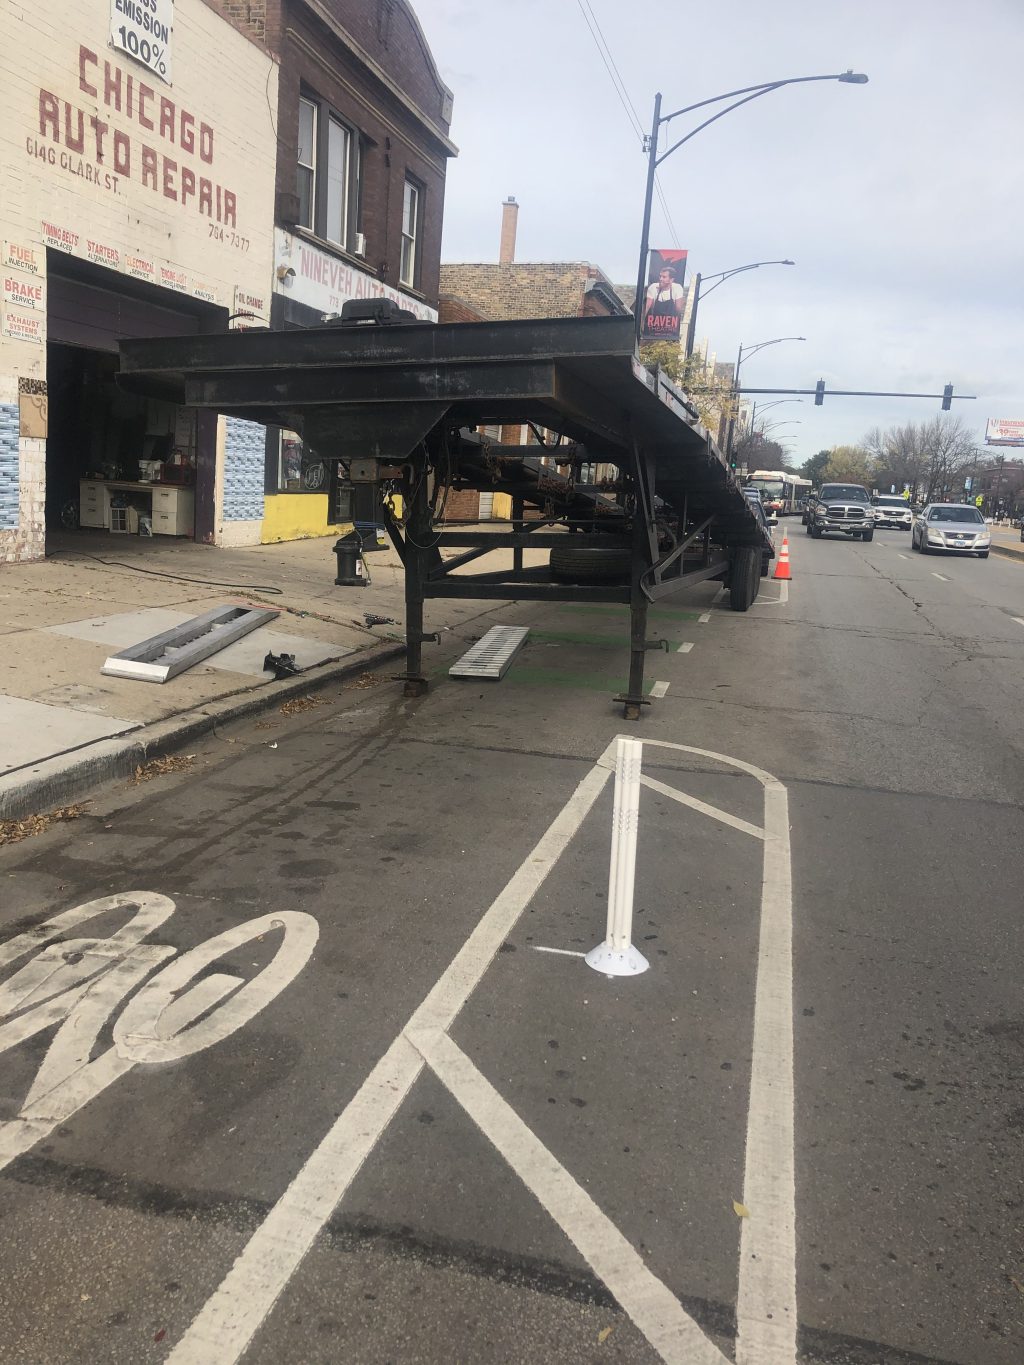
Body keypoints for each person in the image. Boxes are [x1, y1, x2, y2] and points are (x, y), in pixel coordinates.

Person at [642, 266, 685, 338]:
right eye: (660, 276)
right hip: (654, 329)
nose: (660, 279)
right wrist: (641, 326)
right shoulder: (653, 287)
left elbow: (678, 310)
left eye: (664, 277)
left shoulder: (677, 288)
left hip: (670, 330)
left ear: (671, 280)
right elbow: (646, 308)